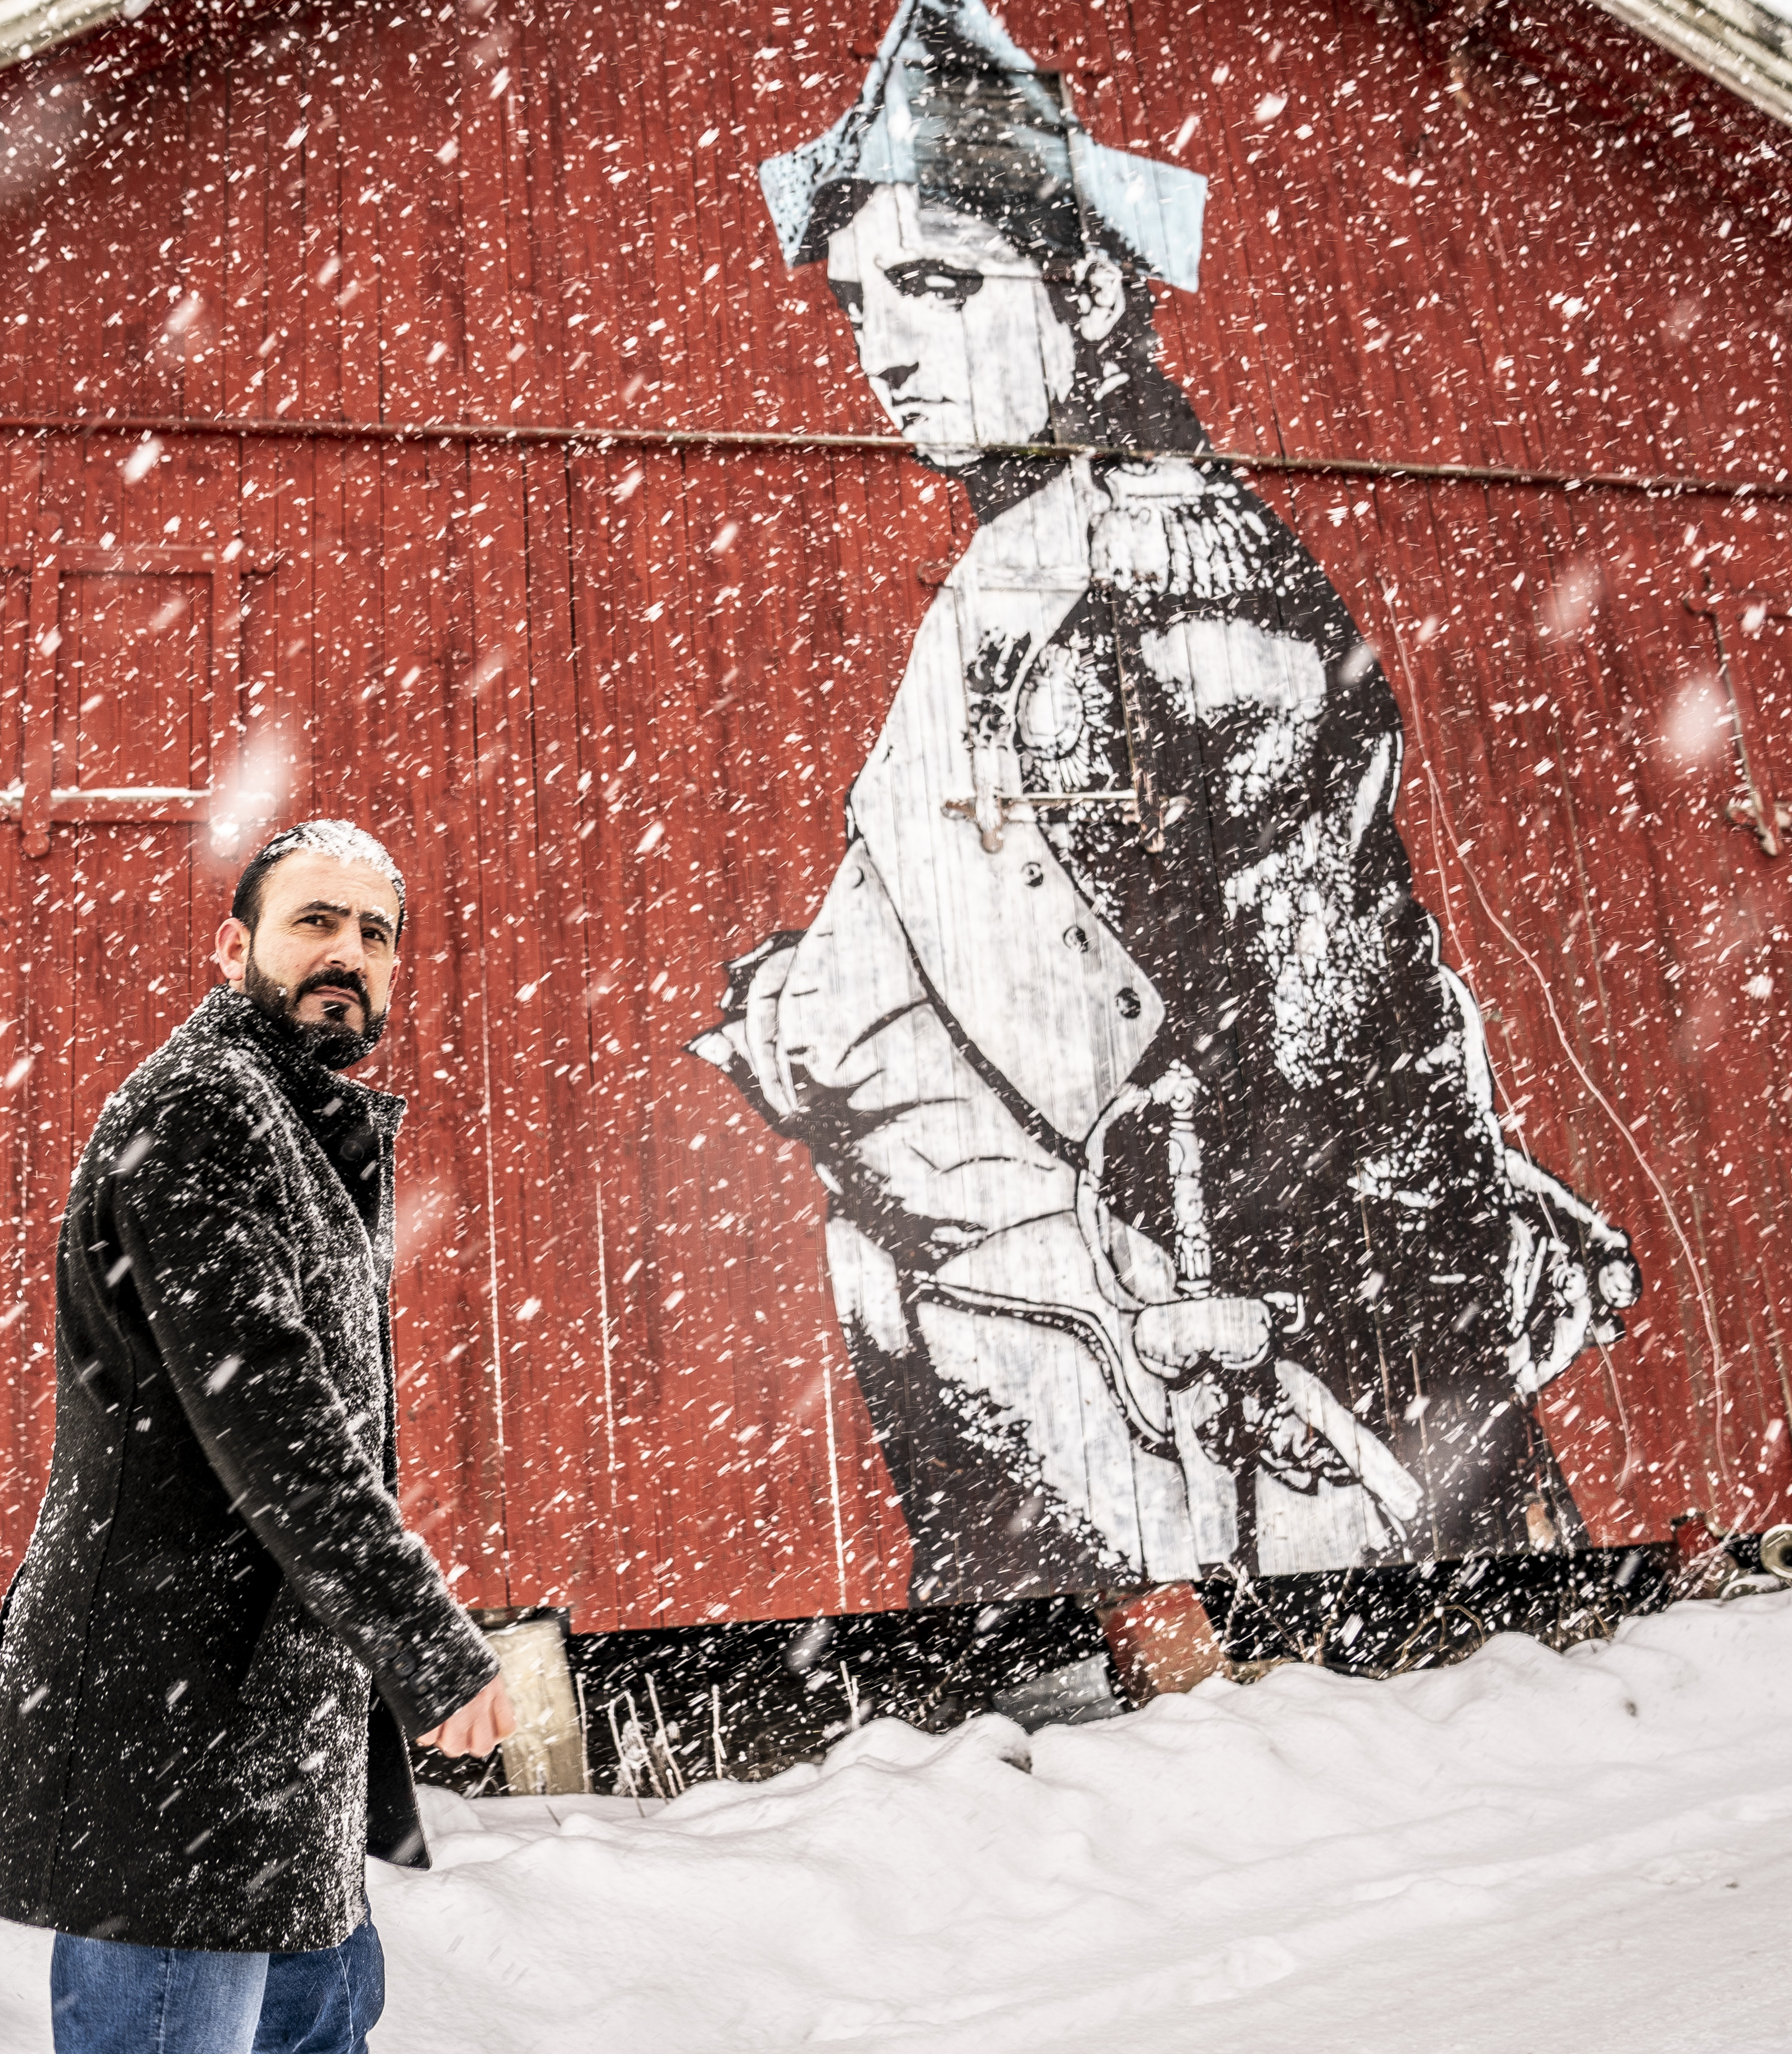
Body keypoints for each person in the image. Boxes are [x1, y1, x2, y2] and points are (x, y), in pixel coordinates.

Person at [693, 0, 1640, 1601]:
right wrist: (793, 1007)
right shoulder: (1019, 570)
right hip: (1062, 1358)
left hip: (1238, 1383)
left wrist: (1285, 1301)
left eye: (934, 283)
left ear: (1078, 290)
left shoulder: (1179, 581)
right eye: (859, 301)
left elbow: (1324, 1026)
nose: (888, 348)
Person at [0, 819, 516, 2054]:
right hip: (174, 1721)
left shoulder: (296, 1125)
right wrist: (420, 1635)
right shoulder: (203, 1112)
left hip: (279, 1720)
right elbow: (269, 1411)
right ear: (235, 947)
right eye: (315, 922)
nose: (349, 953)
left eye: (374, 933)